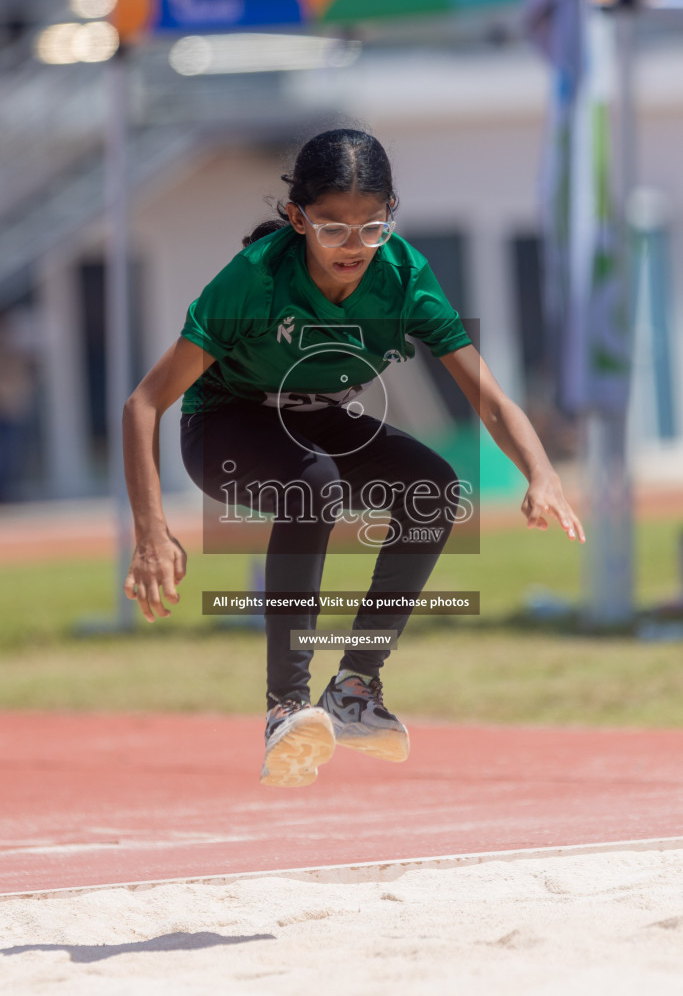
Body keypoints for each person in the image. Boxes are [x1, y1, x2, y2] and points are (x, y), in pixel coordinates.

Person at [123, 128, 585, 789]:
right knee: (314, 483)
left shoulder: (403, 277)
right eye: (332, 228)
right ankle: (285, 705)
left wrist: (541, 474)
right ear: (297, 218)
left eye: (371, 228)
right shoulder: (252, 282)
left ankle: (355, 686)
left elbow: (487, 396)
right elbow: (142, 404)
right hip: (223, 423)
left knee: (435, 487)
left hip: (315, 417)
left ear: (390, 214)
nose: (353, 247)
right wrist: (150, 531)